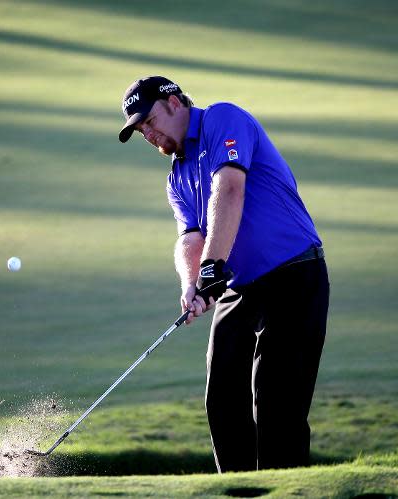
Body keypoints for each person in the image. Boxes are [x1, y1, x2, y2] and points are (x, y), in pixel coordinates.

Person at [117, 76, 330, 472]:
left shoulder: (222, 120)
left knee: (276, 402)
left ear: (175, 103)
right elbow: (189, 239)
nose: (146, 133)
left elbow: (229, 189)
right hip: (241, 287)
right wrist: (191, 284)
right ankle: (235, 489)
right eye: (138, 128)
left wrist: (213, 268)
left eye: (148, 120)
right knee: (222, 397)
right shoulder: (176, 177)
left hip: (294, 275)